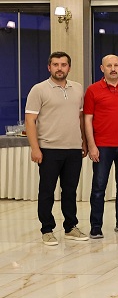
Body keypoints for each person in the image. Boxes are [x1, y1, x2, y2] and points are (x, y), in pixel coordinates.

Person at [25, 52, 89, 246]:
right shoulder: (39, 89)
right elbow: (30, 120)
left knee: (70, 191)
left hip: (73, 149)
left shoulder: (77, 88)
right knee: (47, 191)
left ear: (69, 67)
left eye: (63, 64)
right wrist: (35, 148)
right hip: (49, 149)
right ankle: (47, 230)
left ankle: (70, 227)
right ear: (49, 67)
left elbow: (80, 118)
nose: (59, 68)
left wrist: (84, 142)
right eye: (55, 64)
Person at [84, 54, 118, 238]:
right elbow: (87, 119)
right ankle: (96, 226)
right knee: (99, 187)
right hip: (102, 146)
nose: (113, 69)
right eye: (109, 66)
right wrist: (91, 145)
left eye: (116, 65)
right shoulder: (93, 90)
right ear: (102, 68)